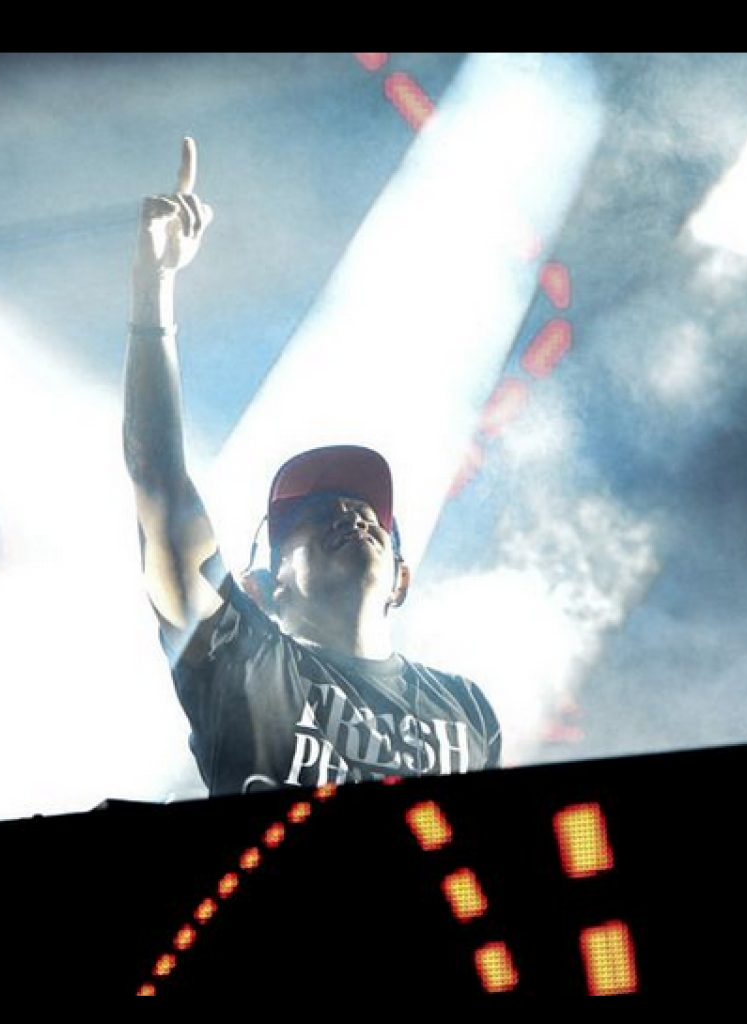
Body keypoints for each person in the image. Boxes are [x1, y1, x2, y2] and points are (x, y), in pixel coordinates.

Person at [123, 136, 502, 796]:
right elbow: (159, 480)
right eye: (313, 514)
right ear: (263, 586)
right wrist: (153, 284)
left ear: (402, 579)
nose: (352, 512)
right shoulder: (241, 662)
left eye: (368, 511)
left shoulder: (468, 710)